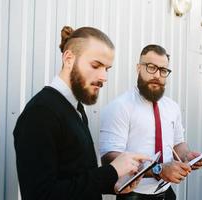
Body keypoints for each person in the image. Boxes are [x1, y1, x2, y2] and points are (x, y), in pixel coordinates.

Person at [13, 26, 150, 200]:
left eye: (107, 69)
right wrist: (112, 171)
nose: (104, 77)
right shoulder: (40, 113)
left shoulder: (74, 108)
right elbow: (41, 195)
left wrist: (114, 185)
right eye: (96, 65)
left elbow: (76, 175)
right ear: (69, 59)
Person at [99, 44, 202, 200]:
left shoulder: (172, 107)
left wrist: (187, 156)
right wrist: (158, 169)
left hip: (166, 192)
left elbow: (178, 143)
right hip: (134, 195)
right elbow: (109, 157)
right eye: (151, 67)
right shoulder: (119, 106)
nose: (157, 75)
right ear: (138, 68)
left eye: (163, 70)